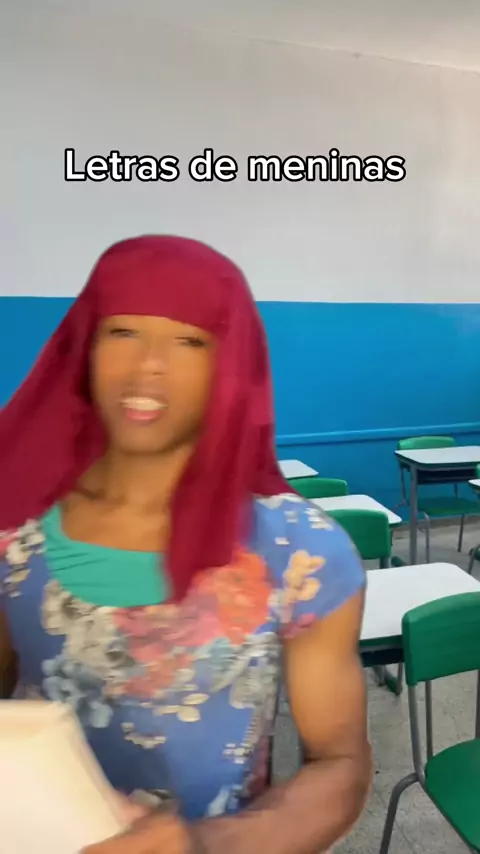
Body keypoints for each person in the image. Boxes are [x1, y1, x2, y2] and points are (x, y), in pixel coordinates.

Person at [0, 235, 371, 854]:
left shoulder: (300, 552)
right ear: (85, 347)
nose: (148, 364)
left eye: (190, 341)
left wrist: (205, 845)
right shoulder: (14, 527)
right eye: (122, 332)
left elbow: (340, 764)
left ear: (230, 367)